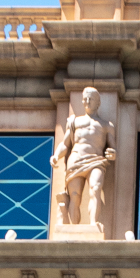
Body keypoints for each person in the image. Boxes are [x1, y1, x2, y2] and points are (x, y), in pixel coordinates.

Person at [51, 86, 116, 225]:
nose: (87, 101)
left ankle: (93, 223)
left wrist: (112, 154)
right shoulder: (74, 122)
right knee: (75, 196)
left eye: (91, 99)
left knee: (96, 188)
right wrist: (56, 155)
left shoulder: (106, 125)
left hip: (96, 160)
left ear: (98, 103)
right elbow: (65, 144)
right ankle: (75, 228)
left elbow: (112, 147)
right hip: (76, 158)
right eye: (85, 98)